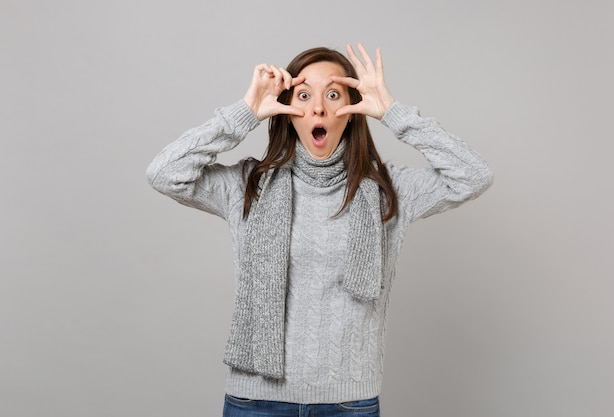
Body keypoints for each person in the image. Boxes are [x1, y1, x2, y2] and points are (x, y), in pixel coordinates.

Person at [146, 44, 493, 417]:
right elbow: (165, 173)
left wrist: (392, 112)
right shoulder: (248, 185)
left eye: (333, 95)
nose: (318, 108)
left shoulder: (388, 189)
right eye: (304, 95)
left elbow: (473, 176)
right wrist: (245, 113)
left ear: (352, 110)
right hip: (255, 401)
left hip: (348, 402)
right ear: (288, 110)